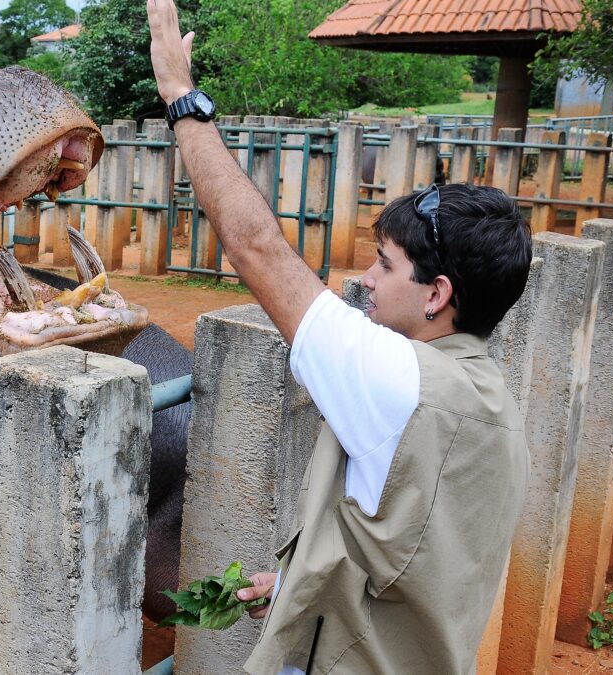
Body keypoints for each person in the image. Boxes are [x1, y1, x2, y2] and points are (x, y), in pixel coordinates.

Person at [145, 1, 532, 672]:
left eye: (386, 266)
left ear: (438, 294)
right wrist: (301, 585)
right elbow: (405, 556)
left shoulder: (397, 381)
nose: (367, 281)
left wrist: (182, 97)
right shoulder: (492, 402)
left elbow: (257, 248)